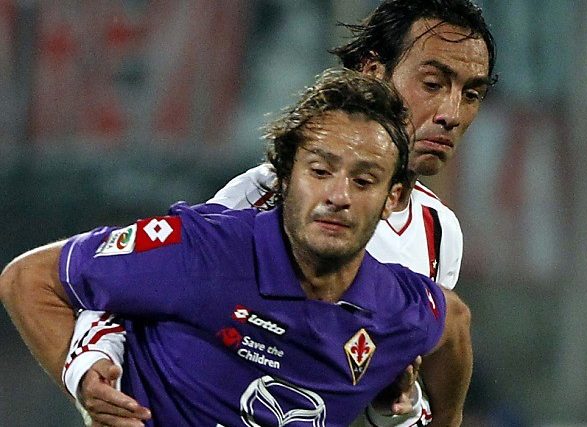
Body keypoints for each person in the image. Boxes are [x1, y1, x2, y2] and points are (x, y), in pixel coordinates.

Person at [60, 0, 497, 425]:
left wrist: (401, 402)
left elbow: (399, 375)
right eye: (433, 84)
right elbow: (130, 282)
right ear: (373, 71)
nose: (451, 114)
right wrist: (91, 363)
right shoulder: (269, 194)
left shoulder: (440, 230)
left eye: (471, 94)